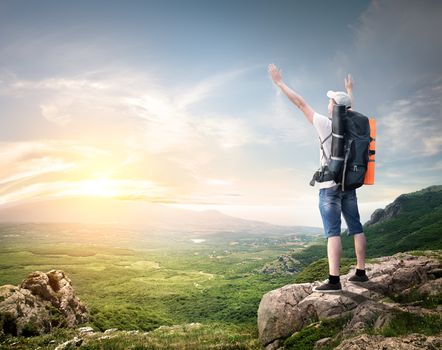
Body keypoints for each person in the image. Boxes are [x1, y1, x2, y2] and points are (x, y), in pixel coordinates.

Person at [268, 63, 368, 292]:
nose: (328, 102)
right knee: (356, 227)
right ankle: (361, 273)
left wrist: (279, 82)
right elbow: (350, 110)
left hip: (329, 186)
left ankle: (334, 281)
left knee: (333, 232)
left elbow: (300, 103)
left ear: (334, 107)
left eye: (331, 100)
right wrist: (350, 92)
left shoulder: (325, 123)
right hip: (349, 183)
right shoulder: (355, 127)